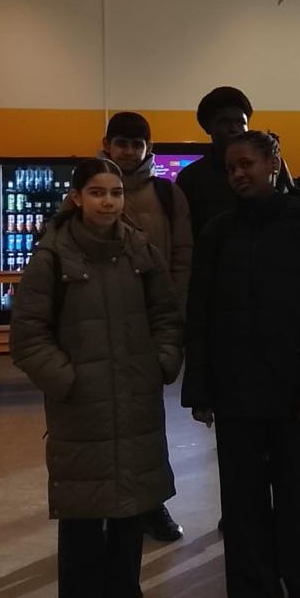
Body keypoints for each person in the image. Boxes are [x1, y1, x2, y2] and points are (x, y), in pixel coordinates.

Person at [10, 158, 182, 598]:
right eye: (97, 192)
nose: (108, 202)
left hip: (134, 394)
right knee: (83, 504)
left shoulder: (141, 251)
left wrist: (161, 363)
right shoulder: (52, 257)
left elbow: (166, 316)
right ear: (76, 198)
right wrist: (67, 381)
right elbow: (28, 335)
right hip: (80, 404)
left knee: (130, 499)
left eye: (115, 193)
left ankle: (125, 597)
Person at [183, 131, 300, 598]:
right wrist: (200, 389)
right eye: (231, 167)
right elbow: (199, 315)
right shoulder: (218, 232)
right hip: (236, 389)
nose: (238, 174)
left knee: (299, 491)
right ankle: (252, 597)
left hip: (296, 389)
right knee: (242, 497)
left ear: (273, 163)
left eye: (247, 164)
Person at [101, 110, 191, 544]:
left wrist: (173, 314)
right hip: (99, 327)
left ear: (148, 149)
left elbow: (183, 257)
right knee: (103, 420)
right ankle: (109, 505)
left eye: (136, 144)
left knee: (149, 421)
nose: (129, 151)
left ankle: (152, 504)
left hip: (150, 326)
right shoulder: (87, 194)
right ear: (107, 145)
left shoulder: (167, 196)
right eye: (121, 143)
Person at [177, 85, 293, 241]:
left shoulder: (269, 165)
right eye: (224, 122)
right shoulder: (191, 177)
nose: (234, 129)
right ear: (208, 128)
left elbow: (292, 207)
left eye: (240, 122)